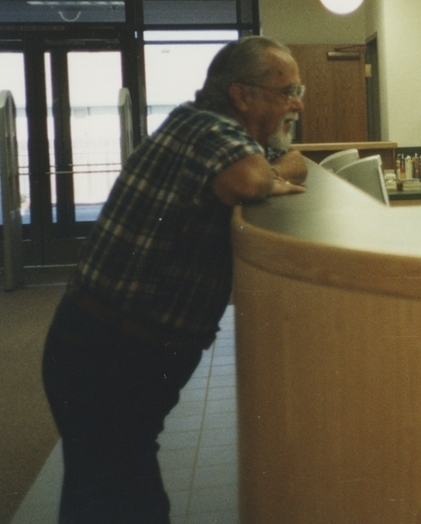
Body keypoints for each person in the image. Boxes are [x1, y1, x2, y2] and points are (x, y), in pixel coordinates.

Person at [41, 36, 307, 524]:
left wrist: (277, 167)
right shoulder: (206, 129)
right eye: (286, 89)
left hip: (108, 343)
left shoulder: (203, 126)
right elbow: (249, 180)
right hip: (107, 349)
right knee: (121, 494)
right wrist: (275, 174)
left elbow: (277, 163)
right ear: (241, 94)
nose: (297, 102)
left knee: (101, 486)